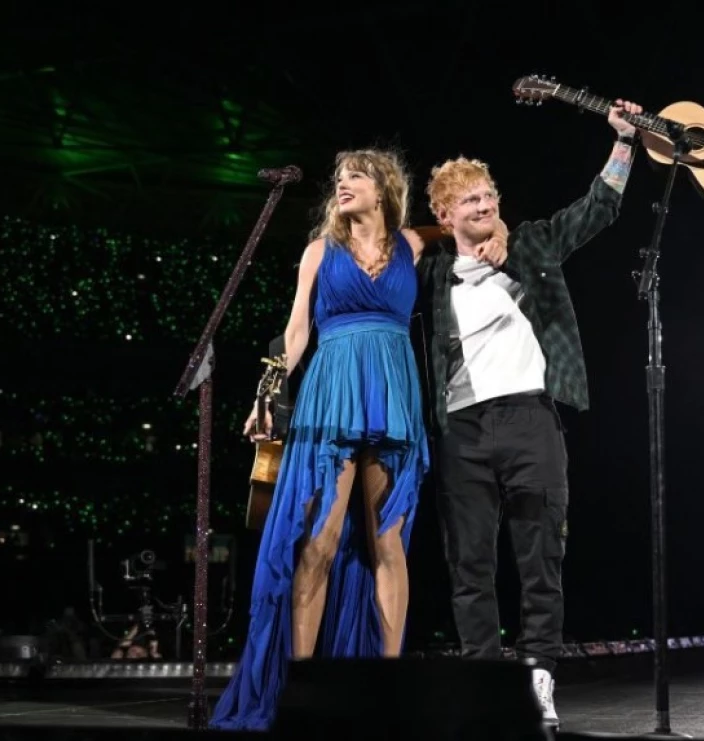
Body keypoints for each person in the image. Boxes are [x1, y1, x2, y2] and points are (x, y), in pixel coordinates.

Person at [209, 148, 506, 731]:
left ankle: (387, 686)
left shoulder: (414, 245)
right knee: (317, 545)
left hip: (393, 395)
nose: (343, 185)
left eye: (356, 177)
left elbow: (472, 221)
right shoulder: (319, 252)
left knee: (386, 544)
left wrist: (500, 232)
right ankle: (301, 686)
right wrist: (267, 393)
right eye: (340, 179)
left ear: (383, 188)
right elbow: (297, 331)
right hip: (331, 390)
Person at [415, 98, 643, 728]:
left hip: (530, 421)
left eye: (489, 196)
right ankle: (483, 684)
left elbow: (599, 209)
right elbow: (382, 258)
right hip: (462, 428)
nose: (485, 206)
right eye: (471, 202)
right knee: (470, 567)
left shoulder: (533, 243)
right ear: (444, 214)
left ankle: (539, 681)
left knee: (541, 559)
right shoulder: (432, 271)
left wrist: (623, 143)